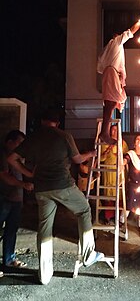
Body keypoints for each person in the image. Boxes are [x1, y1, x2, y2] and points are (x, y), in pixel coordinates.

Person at [7, 109, 105, 285]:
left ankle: (44, 274)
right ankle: (88, 255)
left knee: (44, 228)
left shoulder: (33, 137)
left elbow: (12, 159)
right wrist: (90, 154)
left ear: (42, 120)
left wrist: (29, 174)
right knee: (84, 210)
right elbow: (76, 159)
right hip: (63, 185)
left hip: (42, 189)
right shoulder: (64, 136)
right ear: (57, 123)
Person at [97, 20, 140, 144]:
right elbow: (130, 32)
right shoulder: (116, 42)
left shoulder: (109, 48)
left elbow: (100, 67)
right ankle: (104, 132)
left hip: (110, 73)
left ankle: (105, 131)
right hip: (112, 73)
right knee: (111, 102)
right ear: (115, 36)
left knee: (110, 102)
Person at [0, 130, 33, 271]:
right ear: (9, 142)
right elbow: (5, 176)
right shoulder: (2, 155)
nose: (21, 147)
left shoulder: (17, 158)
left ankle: (9, 259)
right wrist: (23, 185)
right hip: (3, 197)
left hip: (16, 199)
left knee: (11, 230)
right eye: (19, 143)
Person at [100, 124, 128, 224]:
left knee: (119, 192)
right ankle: (108, 216)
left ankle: (118, 217)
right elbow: (101, 159)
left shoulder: (123, 143)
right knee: (109, 192)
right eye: (113, 130)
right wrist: (107, 151)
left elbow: (126, 156)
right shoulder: (105, 143)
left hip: (119, 170)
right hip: (108, 169)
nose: (115, 132)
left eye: (117, 130)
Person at [122, 135, 140, 236]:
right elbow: (125, 160)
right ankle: (121, 222)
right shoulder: (131, 154)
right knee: (129, 204)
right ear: (134, 143)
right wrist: (122, 162)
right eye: (137, 139)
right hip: (133, 184)